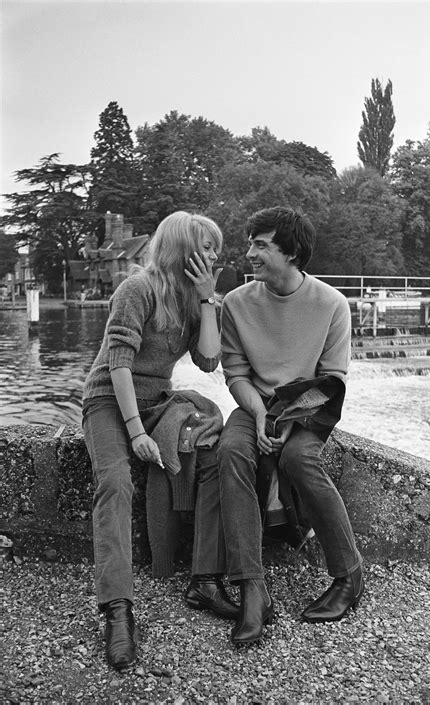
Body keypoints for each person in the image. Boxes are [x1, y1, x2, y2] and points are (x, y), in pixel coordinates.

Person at [82, 211, 238, 670]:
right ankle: (117, 611)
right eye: (207, 247)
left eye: (216, 248)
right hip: (111, 399)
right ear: (182, 246)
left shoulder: (195, 299)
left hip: (159, 401)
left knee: (213, 453)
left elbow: (209, 362)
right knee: (116, 483)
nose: (215, 255)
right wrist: (134, 432)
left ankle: (205, 579)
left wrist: (209, 302)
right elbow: (119, 364)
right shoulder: (137, 288)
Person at [217, 206, 364, 646]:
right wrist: (261, 414)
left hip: (309, 407)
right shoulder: (237, 304)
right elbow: (236, 376)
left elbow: (333, 379)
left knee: (300, 459)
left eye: (260, 245)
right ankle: (252, 588)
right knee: (231, 452)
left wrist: (289, 419)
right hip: (255, 405)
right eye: (251, 243)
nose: (249, 253)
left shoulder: (332, 304)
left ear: (292, 252)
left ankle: (349, 575)